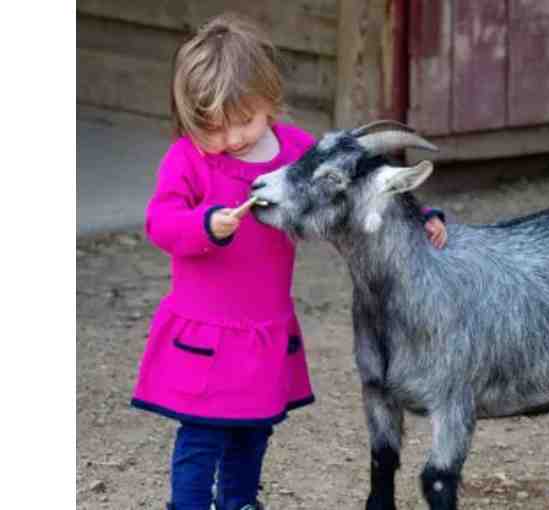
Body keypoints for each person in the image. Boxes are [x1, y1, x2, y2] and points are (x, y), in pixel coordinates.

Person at [131, 13, 448, 510]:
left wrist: (422, 214)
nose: (232, 138)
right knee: (201, 437)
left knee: (253, 431)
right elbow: (159, 221)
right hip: (207, 334)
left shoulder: (295, 150)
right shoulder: (187, 159)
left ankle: (238, 502)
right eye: (212, 126)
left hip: (262, 331)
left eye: (244, 121)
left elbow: (359, 184)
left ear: (269, 102)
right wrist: (203, 226)